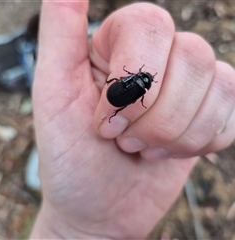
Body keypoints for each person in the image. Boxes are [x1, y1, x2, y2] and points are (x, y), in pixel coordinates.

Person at [30, 1, 235, 239]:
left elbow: (126, 82)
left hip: (116, 96)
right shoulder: (140, 88)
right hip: (115, 98)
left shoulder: (136, 83)